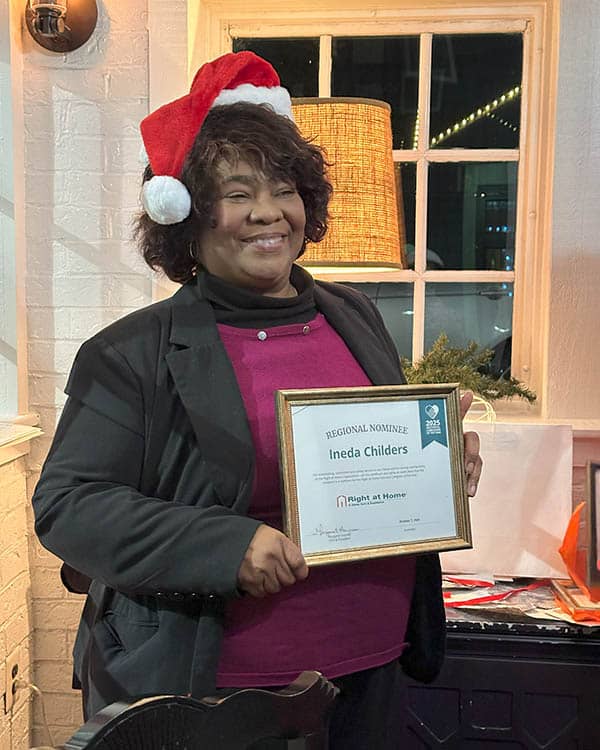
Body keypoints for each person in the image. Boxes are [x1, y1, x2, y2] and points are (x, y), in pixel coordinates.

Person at [32, 51, 482, 748]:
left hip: (372, 665)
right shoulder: (129, 352)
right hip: (220, 694)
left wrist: (440, 466)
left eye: (283, 188)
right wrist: (225, 544)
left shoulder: (353, 312)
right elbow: (69, 506)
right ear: (185, 215)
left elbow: (370, 460)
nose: (267, 213)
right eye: (237, 194)